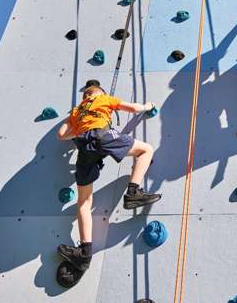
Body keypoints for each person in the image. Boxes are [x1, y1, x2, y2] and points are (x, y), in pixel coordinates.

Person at [55, 80, 161, 273]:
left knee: (84, 202)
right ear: (98, 93)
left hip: (84, 148)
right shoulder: (104, 98)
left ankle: (84, 254)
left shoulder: (76, 111)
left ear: (85, 96)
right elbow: (132, 108)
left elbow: (61, 135)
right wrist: (148, 106)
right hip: (103, 136)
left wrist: (79, 129)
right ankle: (133, 192)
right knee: (146, 150)